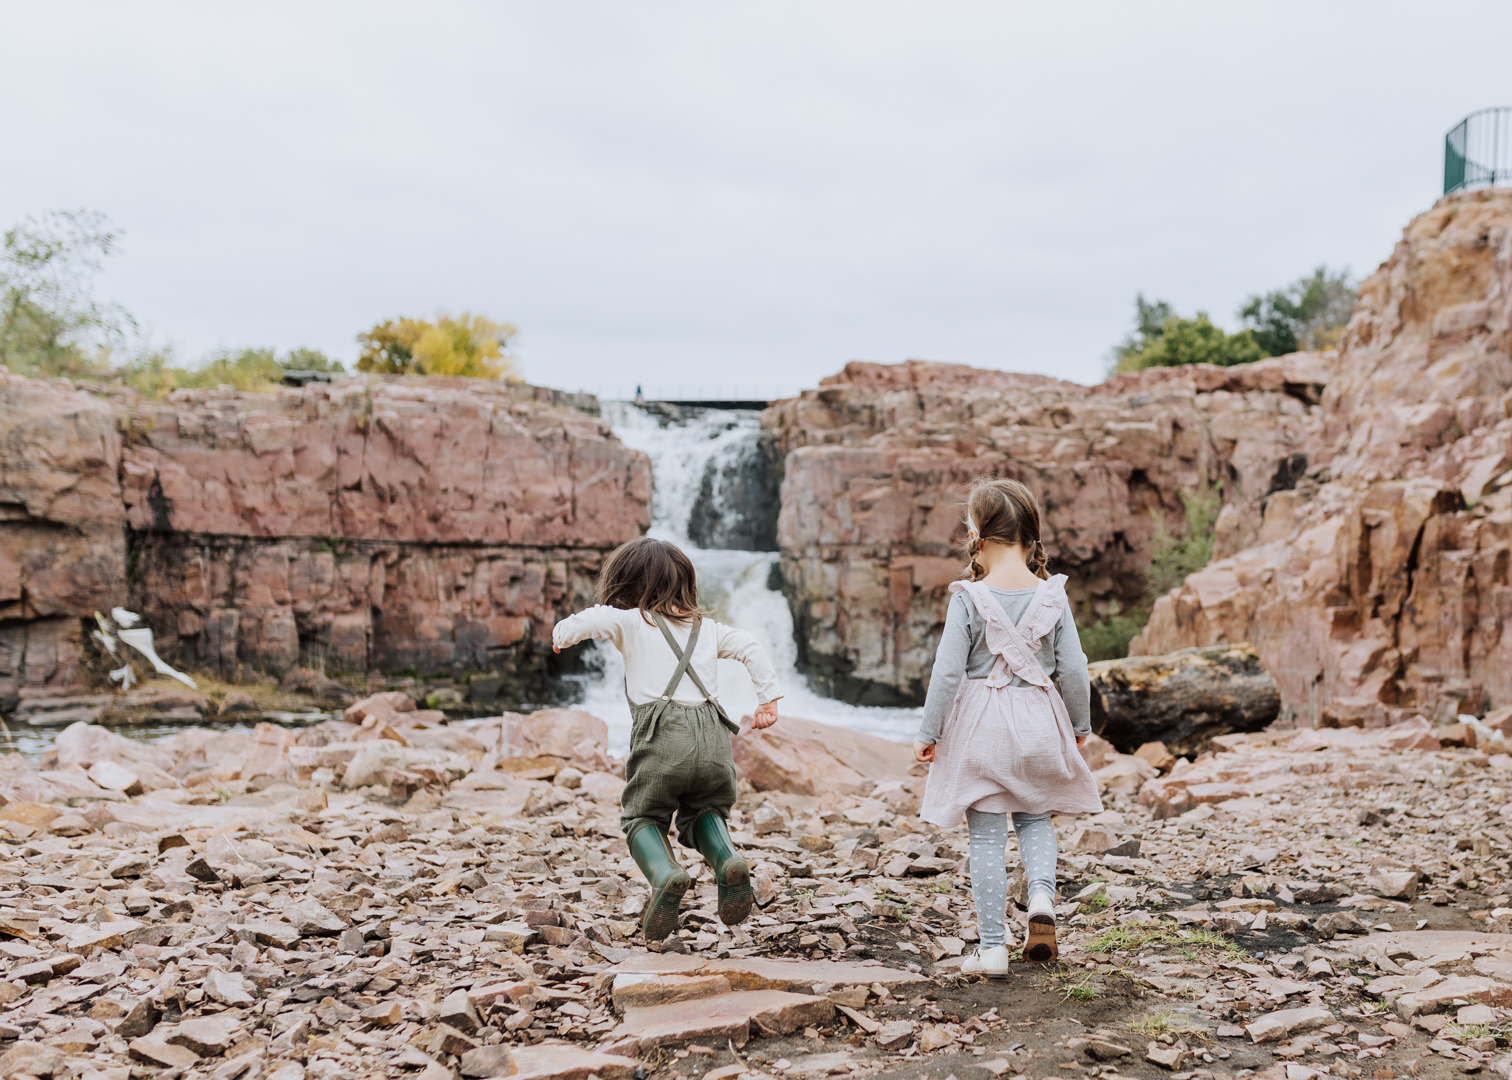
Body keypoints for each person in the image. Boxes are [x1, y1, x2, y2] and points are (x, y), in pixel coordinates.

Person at [914, 477, 1102, 975]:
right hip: (1039, 717)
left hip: (981, 726)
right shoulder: (1052, 595)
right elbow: (1075, 668)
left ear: (977, 533)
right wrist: (1079, 726)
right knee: (1037, 818)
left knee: (986, 838)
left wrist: (929, 733)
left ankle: (993, 946)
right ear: (1030, 535)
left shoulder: (968, 598)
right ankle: (1041, 899)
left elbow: (948, 672)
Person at [553, 536, 781, 941]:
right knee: (705, 808)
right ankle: (727, 860)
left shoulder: (629, 620)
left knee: (642, 816)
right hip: (712, 738)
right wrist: (768, 699)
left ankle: (665, 875)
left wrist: (562, 634)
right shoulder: (707, 629)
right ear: (686, 585)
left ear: (624, 585)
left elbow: (591, 619)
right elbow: (750, 645)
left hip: (662, 738)